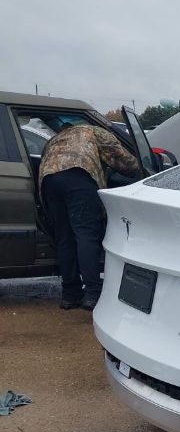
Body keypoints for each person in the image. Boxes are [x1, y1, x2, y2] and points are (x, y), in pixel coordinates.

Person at [39, 123, 139, 310]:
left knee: (64, 238)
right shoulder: (91, 130)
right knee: (86, 235)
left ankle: (70, 294)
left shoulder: (53, 140)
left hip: (49, 181)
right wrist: (138, 168)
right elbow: (120, 157)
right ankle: (92, 293)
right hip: (79, 177)